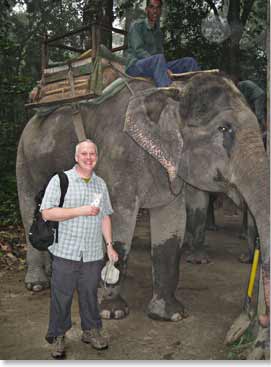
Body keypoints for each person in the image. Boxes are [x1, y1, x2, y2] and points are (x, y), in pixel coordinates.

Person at [40, 139, 118, 359]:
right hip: (66, 250)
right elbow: (47, 213)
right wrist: (80, 210)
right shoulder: (60, 180)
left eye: (92, 153)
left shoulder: (100, 184)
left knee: (90, 295)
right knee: (61, 296)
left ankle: (91, 330)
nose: (88, 157)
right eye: (84, 153)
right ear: (76, 157)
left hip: (93, 252)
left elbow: (105, 216)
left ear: (97, 157)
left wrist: (109, 245)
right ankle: (57, 335)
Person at [125, 0, 200, 87]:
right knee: (159, 59)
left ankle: (196, 88)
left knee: (189, 62)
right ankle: (167, 89)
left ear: (160, 11)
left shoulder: (158, 33)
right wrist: (162, 66)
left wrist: (164, 67)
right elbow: (139, 50)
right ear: (146, 10)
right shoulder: (137, 26)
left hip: (157, 64)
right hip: (136, 66)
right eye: (152, 7)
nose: (155, 11)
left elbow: (160, 53)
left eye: (157, 8)